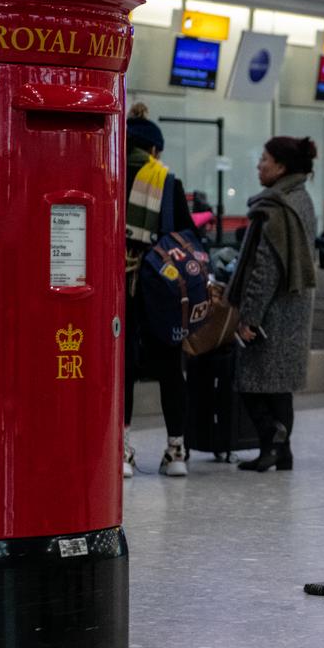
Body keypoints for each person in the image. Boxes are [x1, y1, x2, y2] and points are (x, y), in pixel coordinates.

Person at [234, 136, 319, 472]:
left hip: (272, 311)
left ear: (281, 167)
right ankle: (282, 452)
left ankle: (272, 444)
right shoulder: (301, 200)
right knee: (278, 386)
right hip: (294, 308)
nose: (259, 165)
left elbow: (264, 269)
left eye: (265, 159)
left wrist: (250, 318)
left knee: (252, 384)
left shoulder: (276, 207)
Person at [123, 103, 195, 479]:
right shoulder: (166, 181)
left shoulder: (109, 172)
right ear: (154, 150)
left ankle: (122, 453)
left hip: (117, 285)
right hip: (161, 287)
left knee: (124, 367)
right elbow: (184, 237)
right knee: (170, 367)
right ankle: (176, 451)